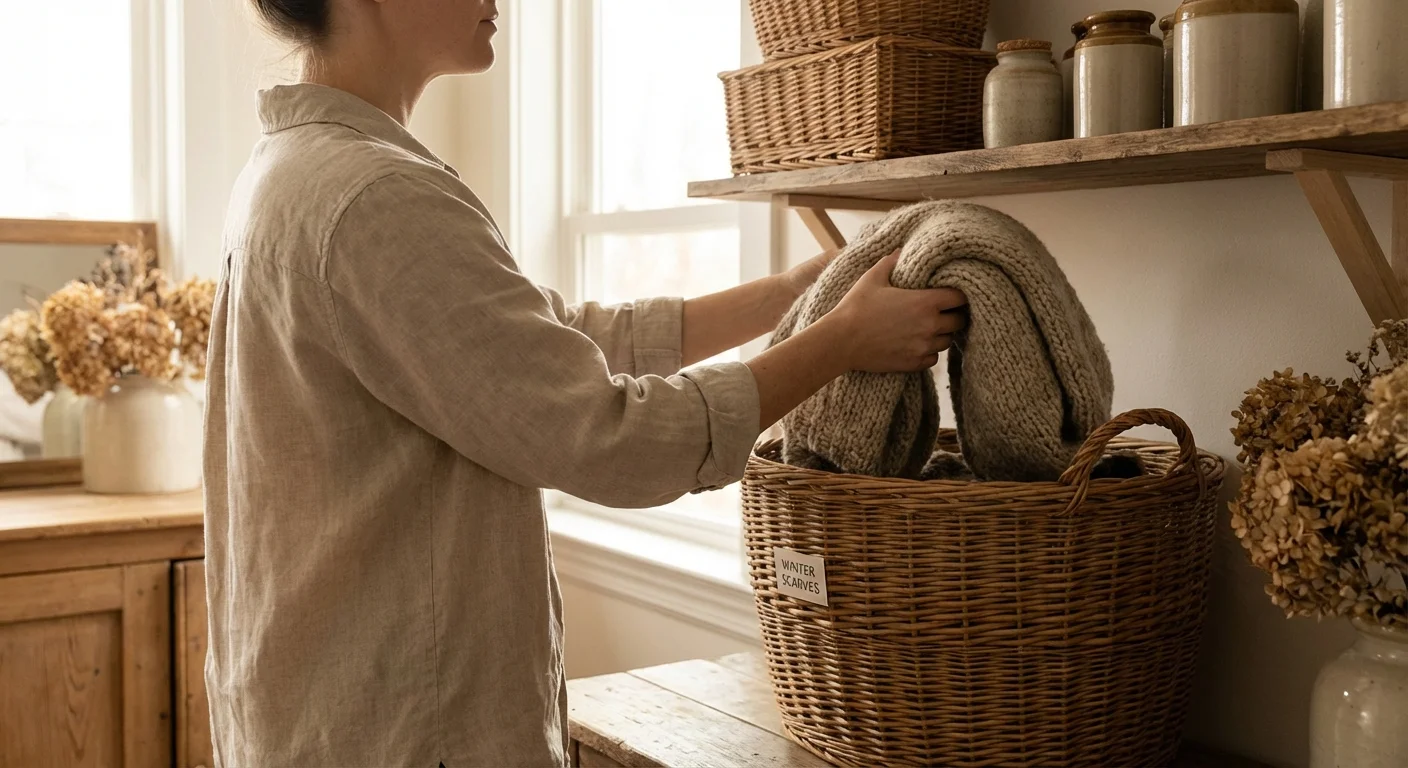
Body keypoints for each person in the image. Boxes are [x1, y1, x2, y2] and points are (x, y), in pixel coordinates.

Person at [205, 1, 969, 765]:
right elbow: (610, 440)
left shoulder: (292, 170)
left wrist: (794, 293)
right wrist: (839, 341)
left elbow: (542, 346)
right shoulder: (374, 194)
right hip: (403, 729)